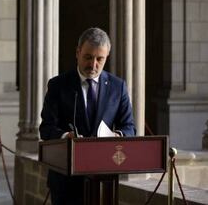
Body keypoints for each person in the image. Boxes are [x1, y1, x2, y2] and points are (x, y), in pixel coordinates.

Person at [39, 27, 136, 205]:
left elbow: (129, 127)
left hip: (104, 178)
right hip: (65, 178)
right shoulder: (58, 85)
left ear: (107, 56)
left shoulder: (117, 86)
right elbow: (46, 129)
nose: (93, 65)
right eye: (88, 57)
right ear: (78, 52)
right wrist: (65, 137)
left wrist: (118, 136)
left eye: (100, 59)